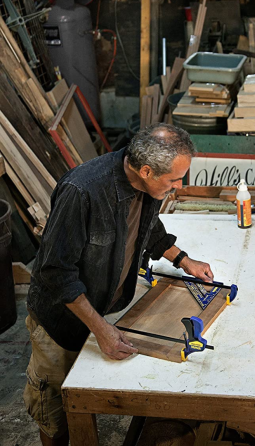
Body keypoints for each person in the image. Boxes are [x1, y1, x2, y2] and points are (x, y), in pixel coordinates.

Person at [24, 124, 215, 446]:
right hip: (61, 321)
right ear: (146, 170)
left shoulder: (147, 184)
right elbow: (55, 272)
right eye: (173, 180)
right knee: (55, 412)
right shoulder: (83, 191)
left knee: (94, 389)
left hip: (107, 305)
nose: (179, 186)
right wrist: (101, 330)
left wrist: (183, 260)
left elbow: (149, 228)